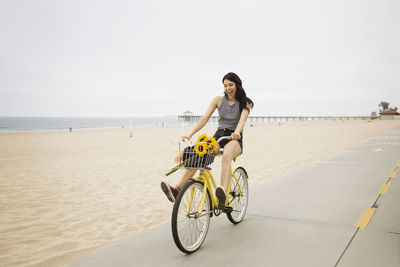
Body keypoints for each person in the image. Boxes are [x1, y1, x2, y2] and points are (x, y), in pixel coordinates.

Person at [161, 72, 254, 210]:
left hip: (234, 138)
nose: (228, 88)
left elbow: (242, 120)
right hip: (219, 136)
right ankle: (177, 190)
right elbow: (204, 119)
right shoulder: (217, 100)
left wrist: (236, 133)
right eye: (225, 85)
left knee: (226, 155)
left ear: (237, 85)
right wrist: (190, 134)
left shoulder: (245, 102)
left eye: (230, 85)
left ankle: (222, 194)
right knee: (199, 156)